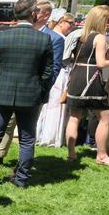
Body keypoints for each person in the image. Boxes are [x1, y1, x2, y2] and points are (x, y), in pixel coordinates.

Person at [0, 0, 53, 188]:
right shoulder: (43, 39)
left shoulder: (3, 36)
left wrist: (6, 75)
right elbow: (47, 73)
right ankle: (21, 179)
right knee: (27, 140)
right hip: (31, 96)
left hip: (3, 94)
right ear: (32, 13)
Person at [0, 0, 63, 162]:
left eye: (37, 10)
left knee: (27, 132)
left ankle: (23, 165)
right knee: (6, 126)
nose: (32, 12)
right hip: (9, 91)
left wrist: (41, 90)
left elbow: (54, 69)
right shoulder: (17, 31)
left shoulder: (55, 39)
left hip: (34, 93)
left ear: (45, 14)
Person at [65, 5, 109, 165]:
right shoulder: (99, 37)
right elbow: (100, 63)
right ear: (102, 20)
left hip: (77, 76)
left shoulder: (81, 35)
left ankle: (71, 154)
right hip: (90, 79)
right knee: (106, 117)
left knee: (74, 117)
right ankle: (102, 155)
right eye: (107, 19)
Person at [36, 11, 75, 147]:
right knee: (54, 106)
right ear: (61, 22)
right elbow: (58, 62)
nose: (72, 26)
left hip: (56, 75)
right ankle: (50, 137)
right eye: (70, 23)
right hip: (57, 76)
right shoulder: (59, 39)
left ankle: (45, 135)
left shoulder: (54, 36)